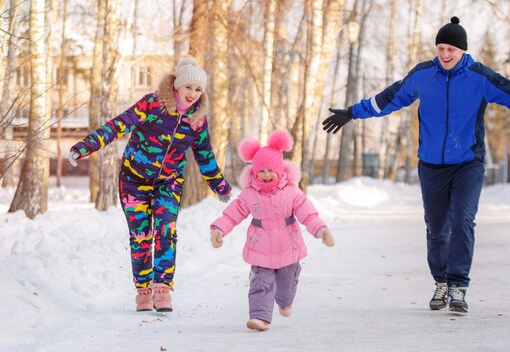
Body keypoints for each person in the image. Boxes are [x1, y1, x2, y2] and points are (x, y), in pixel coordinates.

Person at [322, 16, 510, 314]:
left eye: (451, 49)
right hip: (430, 165)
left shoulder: (480, 77)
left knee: (463, 220)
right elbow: (389, 98)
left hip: (468, 163)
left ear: (463, 51)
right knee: (437, 227)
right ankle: (441, 282)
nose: (444, 54)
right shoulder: (423, 75)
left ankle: (458, 285)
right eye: (440, 47)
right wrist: (351, 112)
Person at [68, 56, 232, 313]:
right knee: (141, 236)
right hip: (133, 181)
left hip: (169, 182)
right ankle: (143, 290)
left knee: (166, 230)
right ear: (178, 85)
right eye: (189, 87)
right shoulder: (152, 103)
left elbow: (204, 153)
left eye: (199, 90)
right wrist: (84, 147)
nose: (192, 94)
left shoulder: (197, 119)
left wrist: (220, 186)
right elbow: (118, 125)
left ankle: (163, 289)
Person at [210, 130, 334, 331]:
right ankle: (260, 317)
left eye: (271, 170)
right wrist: (219, 229)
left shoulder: (292, 192)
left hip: (288, 246)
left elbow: (307, 214)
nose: (266, 175)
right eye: (262, 170)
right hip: (260, 248)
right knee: (260, 283)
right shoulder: (249, 194)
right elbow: (233, 214)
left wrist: (320, 229)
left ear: (281, 170)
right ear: (254, 172)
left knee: (286, 286)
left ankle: (284, 302)